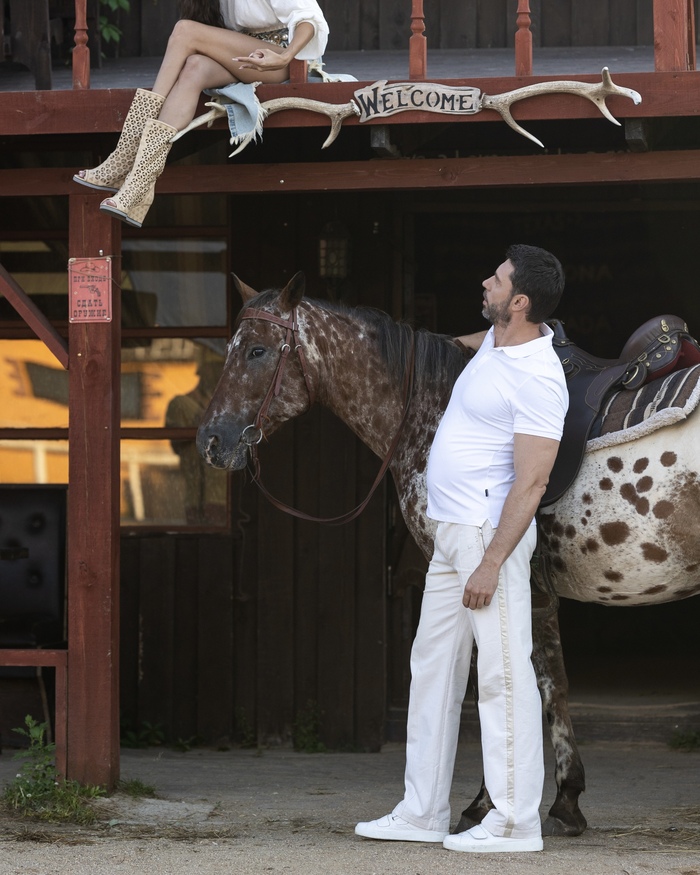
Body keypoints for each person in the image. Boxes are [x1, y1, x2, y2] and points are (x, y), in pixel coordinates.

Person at [355, 244, 568, 854]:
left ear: (519, 301)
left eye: (496, 280)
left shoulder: (539, 378)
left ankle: (515, 822)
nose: (485, 282)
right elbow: (474, 341)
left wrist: (492, 562)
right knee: (433, 669)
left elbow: (532, 482)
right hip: (450, 534)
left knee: (503, 676)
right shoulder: (498, 342)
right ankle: (422, 811)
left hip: (484, 539)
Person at [73, 0, 329, 227]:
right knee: (194, 67)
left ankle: (124, 155)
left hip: (276, 60)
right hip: (244, 58)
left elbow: (308, 18)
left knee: (184, 30)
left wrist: (285, 57)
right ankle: (139, 188)